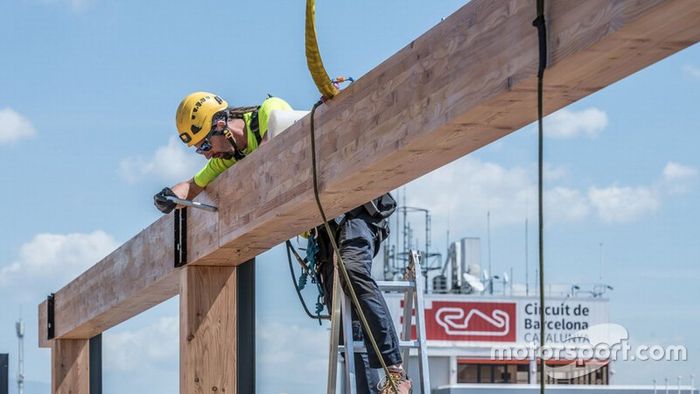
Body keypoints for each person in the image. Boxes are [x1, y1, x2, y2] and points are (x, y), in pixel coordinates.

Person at [153, 92, 412, 394]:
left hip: (354, 204)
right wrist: (170, 197)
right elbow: (193, 185)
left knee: (352, 270)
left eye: (206, 145)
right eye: (200, 150)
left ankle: (395, 372)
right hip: (325, 220)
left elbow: (270, 156)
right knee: (338, 308)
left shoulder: (269, 112)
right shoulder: (230, 157)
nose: (207, 154)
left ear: (222, 124)